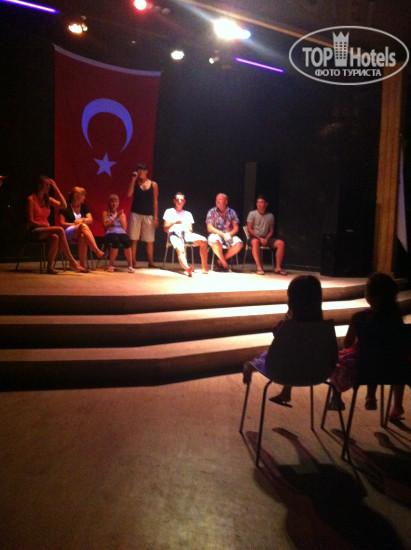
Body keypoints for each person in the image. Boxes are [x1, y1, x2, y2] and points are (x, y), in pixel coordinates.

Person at [336, 272, 408, 420]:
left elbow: (347, 343)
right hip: (394, 369)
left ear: (370, 295)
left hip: (365, 369)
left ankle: (337, 398)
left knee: (344, 359)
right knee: (398, 359)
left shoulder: (359, 317)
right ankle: (397, 405)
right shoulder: (397, 319)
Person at [268, 275, 323, 406]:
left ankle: (286, 391)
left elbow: (279, 346)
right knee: (300, 353)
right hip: (318, 370)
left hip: (285, 370)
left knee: (291, 354)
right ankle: (286, 392)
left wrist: (277, 330)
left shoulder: (287, 325)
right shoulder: (322, 326)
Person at [26, 176, 87, 274]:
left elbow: (64, 206)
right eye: (46, 185)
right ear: (39, 185)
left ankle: (49, 267)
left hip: (45, 230)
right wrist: (45, 226)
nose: (48, 187)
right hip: (34, 230)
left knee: (55, 237)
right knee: (59, 229)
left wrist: (56, 188)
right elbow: (30, 221)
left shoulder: (48, 200)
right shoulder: (31, 199)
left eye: (49, 185)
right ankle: (71, 261)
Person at [163, 192, 208, 276]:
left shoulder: (188, 214)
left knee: (204, 240)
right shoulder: (169, 211)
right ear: (174, 201)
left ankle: (204, 268)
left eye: (181, 200)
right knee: (181, 250)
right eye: (178, 200)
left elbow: (190, 229)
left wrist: (184, 225)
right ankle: (187, 268)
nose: (180, 201)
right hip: (174, 234)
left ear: (184, 202)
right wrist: (175, 223)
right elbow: (165, 229)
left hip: (186, 234)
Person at [59, 186, 104, 269]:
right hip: (68, 232)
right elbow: (61, 223)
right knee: (83, 226)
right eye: (83, 195)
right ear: (76, 196)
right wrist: (75, 224)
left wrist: (81, 220)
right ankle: (96, 250)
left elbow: (90, 220)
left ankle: (82, 265)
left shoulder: (84, 207)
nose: (84, 197)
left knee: (83, 236)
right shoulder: (66, 207)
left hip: (80, 232)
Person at [126, 163, 159, 268]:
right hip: (135, 213)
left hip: (148, 214)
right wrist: (133, 180)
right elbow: (129, 194)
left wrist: (156, 217)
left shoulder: (153, 184)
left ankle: (151, 262)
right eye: (139, 170)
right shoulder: (135, 183)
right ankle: (133, 262)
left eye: (142, 170)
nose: (140, 172)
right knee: (134, 238)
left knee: (150, 239)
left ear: (146, 171)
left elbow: (155, 201)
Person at [246, 196, 286, 275]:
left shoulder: (270, 216)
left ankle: (278, 268)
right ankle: (259, 267)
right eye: (257, 202)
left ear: (266, 204)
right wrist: (259, 238)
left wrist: (266, 239)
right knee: (255, 242)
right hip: (254, 237)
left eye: (261, 202)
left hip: (266, 238)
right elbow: (249, 229)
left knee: (281, 243)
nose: (259, 204)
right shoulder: (252, 214)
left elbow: (271, 231)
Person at [206, 193, 243, 272]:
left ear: (226, 201)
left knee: (239, 243)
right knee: (215, 240)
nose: (217, 202)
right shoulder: (212, 211)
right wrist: (223, 234)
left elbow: (236, 228)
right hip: (216, 235)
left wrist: (229, 234)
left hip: (228, 235)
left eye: (220, 199)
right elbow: (209, 228)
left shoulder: (232, 212)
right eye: (216, 200)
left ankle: (219, 262)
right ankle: (224, 263)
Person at [102, 194, 135, 273]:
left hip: (121, 232)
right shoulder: (105, 213)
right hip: (111, 233)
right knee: (115, 240)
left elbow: (124, 228)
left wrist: (120, 217)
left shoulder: (121, 214)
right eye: (112, 202)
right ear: (109, 203)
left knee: (127, 241)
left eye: (116, 202)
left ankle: (130, 266)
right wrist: (115, 218)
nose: (114, 204)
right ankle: (111, 265)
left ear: (118, 203)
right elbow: (106, 226)